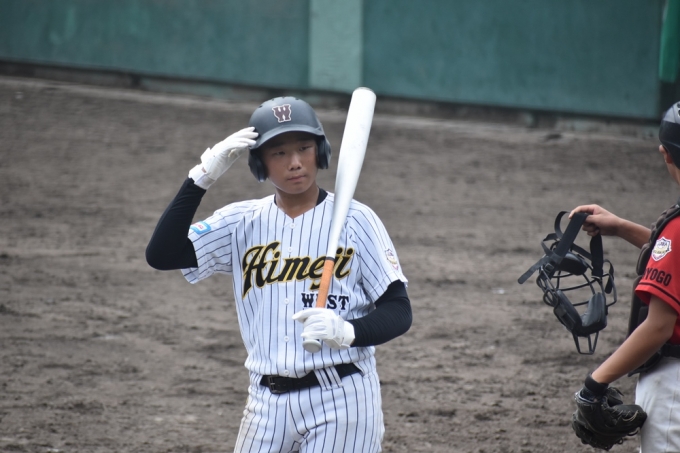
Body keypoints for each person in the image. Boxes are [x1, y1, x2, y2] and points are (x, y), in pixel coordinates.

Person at [146, 96, 412, 453]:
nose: (295, 162)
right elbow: (161, 255)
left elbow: (399, 309)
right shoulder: (240, 221)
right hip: (265, 402)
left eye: (304, 148)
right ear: (260, 164)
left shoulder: (357, 219)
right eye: (279, 153)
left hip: (343, 397)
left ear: (320, 152)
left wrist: (349, 331)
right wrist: (201, 177)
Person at [569, 101, 680, 452]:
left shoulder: (677, 231)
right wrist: (619, 227)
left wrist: (594, 386)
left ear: (665, 153)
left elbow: (659, 326)